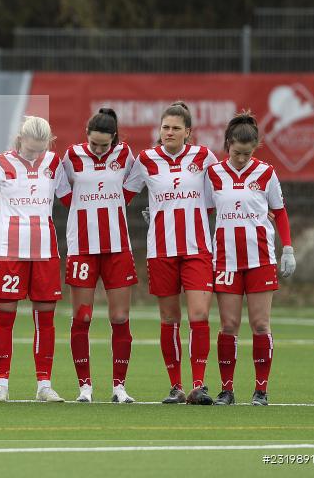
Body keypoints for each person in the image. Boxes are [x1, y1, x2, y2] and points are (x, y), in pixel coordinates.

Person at [124, 101, 218, 405]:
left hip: (197, 249)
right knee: (169, 318)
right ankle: (176, 387)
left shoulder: (204, 157)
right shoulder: (146, 159)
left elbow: (221, 194)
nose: (170, 132)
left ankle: (199, 385)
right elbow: (123, 193)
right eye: (165, 127)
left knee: (199, 314)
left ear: (188, 132)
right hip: (161, 250)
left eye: (176, 128)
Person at [206, 112, 296, 406]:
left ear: (255, 148)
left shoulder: (266, 173)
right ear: (228, 145)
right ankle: (227, 390)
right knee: (229, 325)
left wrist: (288, 249)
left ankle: (261, 390)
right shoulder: (214, 174)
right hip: (225, 260)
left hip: (260, 259)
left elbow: (279, 211)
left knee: (260, 324)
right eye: (236, 152)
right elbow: (200, 210)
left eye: (247, 153)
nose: (241, 158)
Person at [0, 116, 69, 403]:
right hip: (9, 250)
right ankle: (1, 384)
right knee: (5, 315)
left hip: (44, 250)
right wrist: (8, 221)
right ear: (20, 139)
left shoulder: (54, 164)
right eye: (31, 149)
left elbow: (69, 197)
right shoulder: (0, 163)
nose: (35, 154)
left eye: (40, 149)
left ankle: (44, 384)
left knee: (45, 317)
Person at [62, 109, 137, 404]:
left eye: (104, 145)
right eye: (93, 143)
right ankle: (85, 388)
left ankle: (119, 387)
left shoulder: (126, 155)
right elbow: (62, 190)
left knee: (119, 317)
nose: (97, 149)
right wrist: (83, 210)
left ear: (114, 140)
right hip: (82, 248)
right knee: (82, 317)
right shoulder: (72, 156)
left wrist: (113, 206)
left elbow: (131, 188)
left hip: (117, 247)